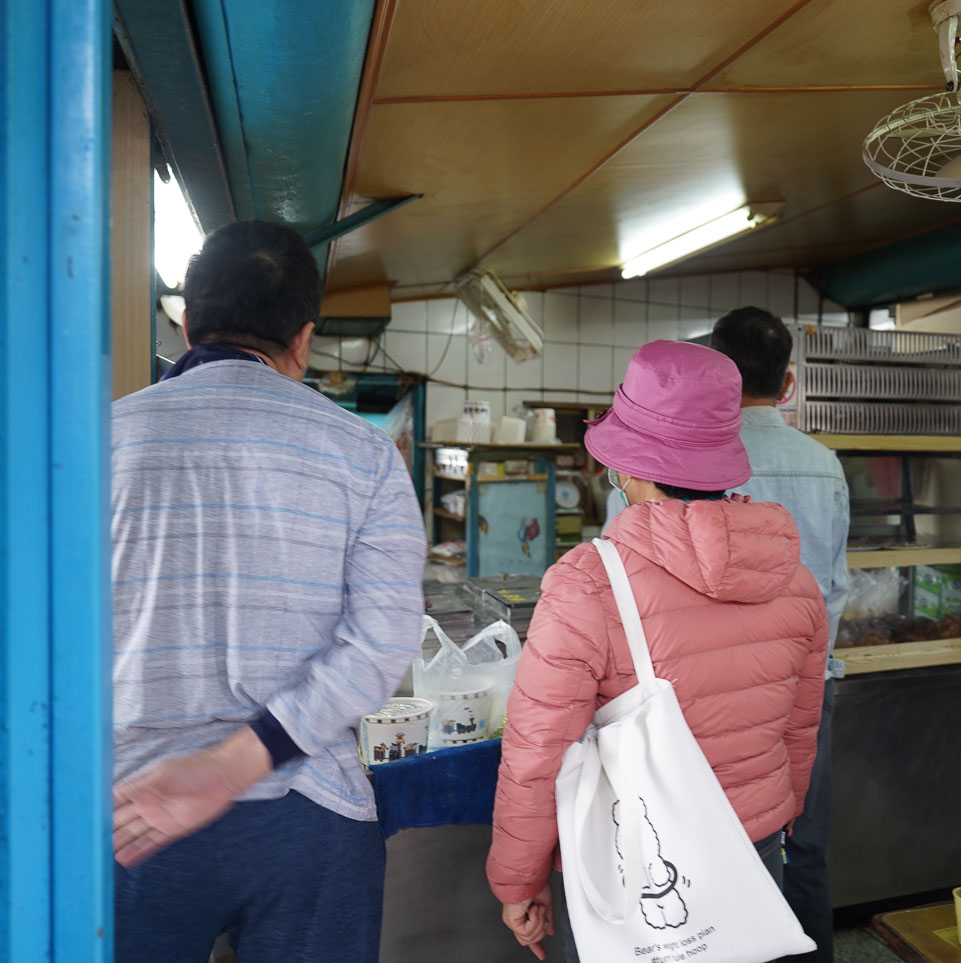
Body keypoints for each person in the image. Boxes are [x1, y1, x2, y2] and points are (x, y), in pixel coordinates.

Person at [110, 220, 426, 962]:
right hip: (307, 811)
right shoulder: (366, 456)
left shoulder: (100, 438)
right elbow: (383, 641)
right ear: (304, 339)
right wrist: (242, 758)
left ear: (187, 323)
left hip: (130, 811)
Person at [486, 340, 829, 960]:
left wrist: (519, 879)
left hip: (638, 862)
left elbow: (538, 755)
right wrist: (780, 817)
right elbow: (798, 733)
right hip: (752, 857)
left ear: (631, 468)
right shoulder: (796, 581)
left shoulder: (587, 583)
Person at [710, 306, 850, 963]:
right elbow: (837, 586)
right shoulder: (824, 464)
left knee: (719, 849)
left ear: (715, 376)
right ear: (788, 382)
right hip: (805, 689)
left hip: (713, 698)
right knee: (806, 845)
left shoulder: (686, 463)